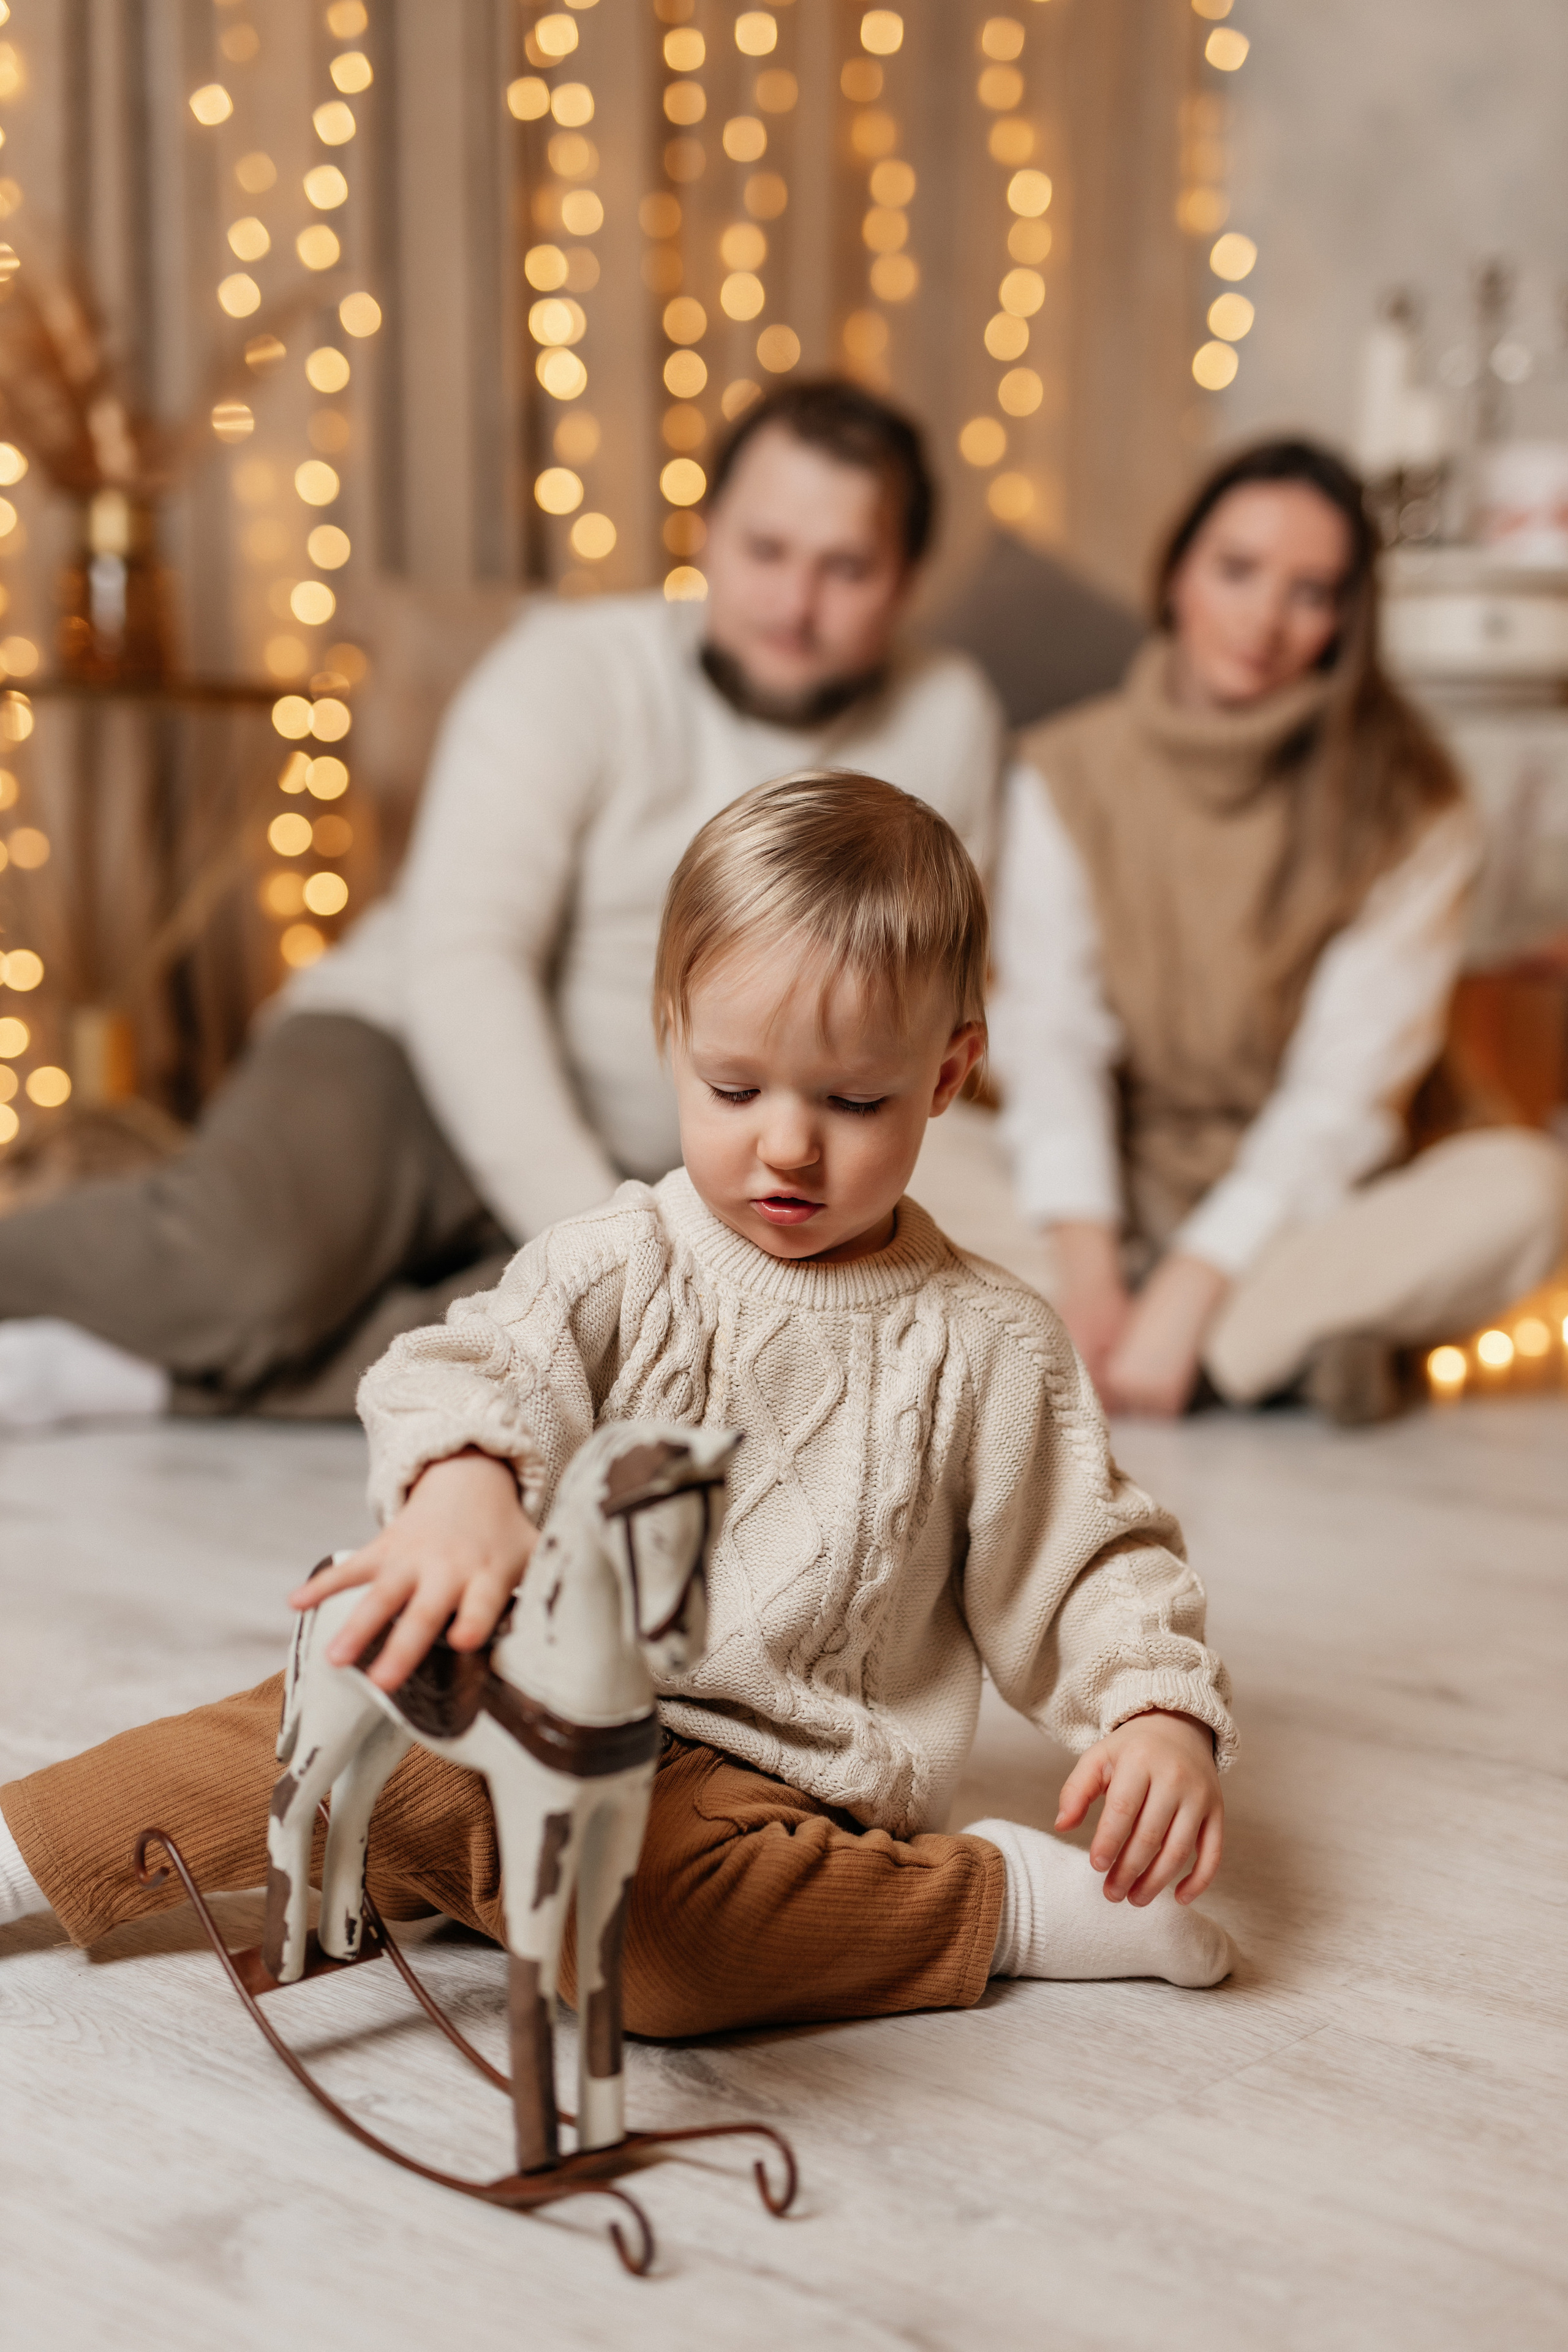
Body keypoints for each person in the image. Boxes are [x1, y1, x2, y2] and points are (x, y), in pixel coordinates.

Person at [0, 775, 1236, 2028]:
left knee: (657, 1952)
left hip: (764, 1795)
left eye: (853, 1101)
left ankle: (1003, 1904)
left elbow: (1088, 1563)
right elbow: (464, 1364)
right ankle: (38, 1852)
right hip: (541, 1698)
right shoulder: (619, 1257)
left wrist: (1154, 1711)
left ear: (948, 1074)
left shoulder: (990, 1342)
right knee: (304, 1724)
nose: (787, 1145)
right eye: (734, 1090)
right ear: (671, 1040)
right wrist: (464, 1484)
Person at [0, 381, 1002, 1425]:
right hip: (404, 1052)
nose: (795, 604)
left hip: (660, 1160)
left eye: (846, 569)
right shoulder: (573, 668)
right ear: (705, 534)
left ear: (907, 581)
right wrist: (595, 1237)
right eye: (766, 551)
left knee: (600, 1360)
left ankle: (141, 1380)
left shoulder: (949, 716)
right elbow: (468, 960)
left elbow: (919, 989)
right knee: (239, 1275)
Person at [989, 439, 1568, 1424]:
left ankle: (1188, 1347)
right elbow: (1051, 1038)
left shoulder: (1414, 802)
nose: (1263, 620)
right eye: (1237, 570)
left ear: (1347, 620)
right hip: (1117, 1183)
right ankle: (1283, 1348)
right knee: (892, 1160)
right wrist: (1089, 1267)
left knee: (1530, 1190)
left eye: (1311, 592)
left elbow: (1341, 1099)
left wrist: (1195, 1280)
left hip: (1316, 1204)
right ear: (1176, 573)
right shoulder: (1062, 770)